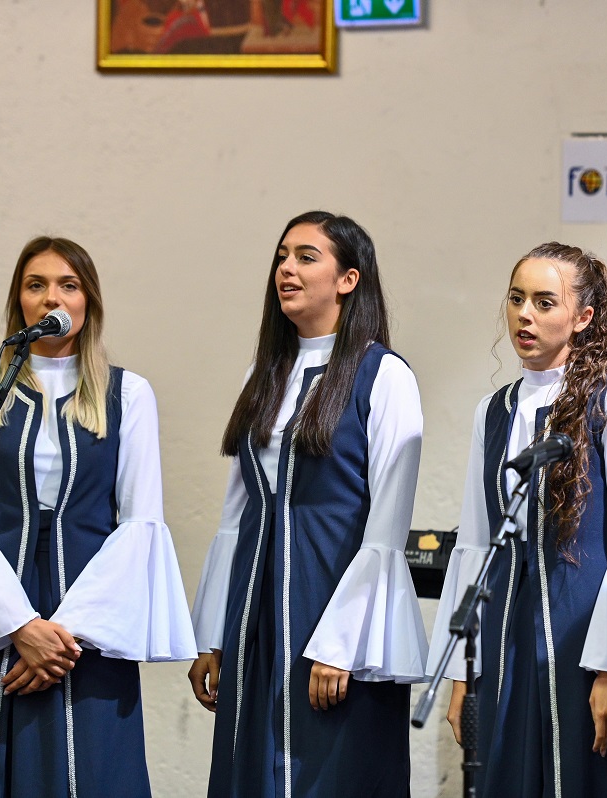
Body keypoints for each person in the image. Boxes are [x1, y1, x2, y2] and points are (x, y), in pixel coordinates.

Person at [0, 236, 197, 797]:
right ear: (20, 302)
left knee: (93, 766)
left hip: (91, 618)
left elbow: (140, 523)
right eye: (36, 285)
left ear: (88, 303)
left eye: (67, 285)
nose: (51, 296)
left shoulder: (129, 394)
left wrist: (63, 637)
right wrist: (19, 625)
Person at [188, 211, 427, 798]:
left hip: (335, 605)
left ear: (348, 279)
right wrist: (214, 634)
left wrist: (340, 643)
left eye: (305, 257)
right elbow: (236, 512)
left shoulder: (384, 376)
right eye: (281, 257)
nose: (286, 269)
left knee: (330, 770)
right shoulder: (266, 372)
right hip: (256, 606)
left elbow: (386, 529)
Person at [429, 242, 607, 797]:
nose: (525, 314)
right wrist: (459, 674)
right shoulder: (492, 412)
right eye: (517, 299)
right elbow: (474, 541)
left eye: (545, 302)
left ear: (582, 317)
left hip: (584, 636)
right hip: (503, 641)